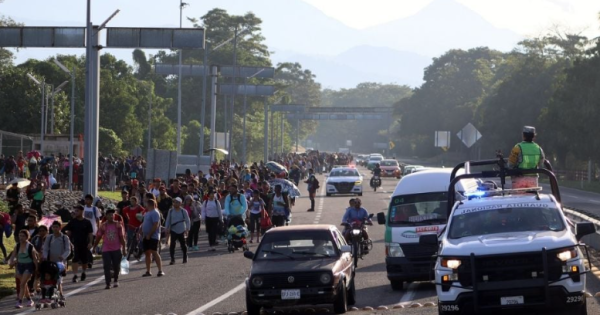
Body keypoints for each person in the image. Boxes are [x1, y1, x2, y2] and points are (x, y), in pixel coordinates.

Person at [93, 208, 126, 289]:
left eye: (113, 215)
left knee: (116, 266)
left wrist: (124, 248)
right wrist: (94, 246)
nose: (111, 216)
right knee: (106, 266)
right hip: (106, 249)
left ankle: (115, 280)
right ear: (106, 216)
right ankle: (108, 283)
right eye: (109, 215)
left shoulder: (118, 225)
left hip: (116, 248)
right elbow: (98, 237)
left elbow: (122, 238)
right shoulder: (103, 226)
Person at [8, 230, 39, 308]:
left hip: (28, 266)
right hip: (19, 266)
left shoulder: (30, 246)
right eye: (20, 236)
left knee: (22, 284)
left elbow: (35, 259)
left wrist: (37, 269)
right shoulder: (17, 246)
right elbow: (13, 256)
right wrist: (11, 262)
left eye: (23, 236)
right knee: (23, 284)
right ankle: (29, 300)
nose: (21, 237)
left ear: (27, 237)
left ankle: (19, 301)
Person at [62, 205, 93, 283]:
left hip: (84, 243)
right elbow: (66, 230)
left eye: (77, 211)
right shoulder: (72, 221)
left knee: (84, 260)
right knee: (75, 259)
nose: (75, 212)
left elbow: (90, 233)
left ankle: (83, 272)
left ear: (82, 211)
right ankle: (75, 275)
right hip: (74, 244)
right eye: (75, 211)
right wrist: (67, 234)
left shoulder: (87, 222)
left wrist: (90, 242)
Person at [42, 221, 71, 299]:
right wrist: (44, 256)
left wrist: (63, 256)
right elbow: (45, 248)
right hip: (51, 262)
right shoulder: (49, 237)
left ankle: (60, 294)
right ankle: (49, 294)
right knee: (50, 277)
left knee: (59, 279)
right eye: (53, 227)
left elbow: (68, 250)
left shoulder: (65, 237)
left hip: (61, 262)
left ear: (60, 228)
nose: (55, 229)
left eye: (56, 227)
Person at [141, 199, 164, 277]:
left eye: (146, 204)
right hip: (145, 236)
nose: (145, 205)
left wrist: (150, 234)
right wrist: (140, 231)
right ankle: (148, 271)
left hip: (153, 236)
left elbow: (155, 224)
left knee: (154, 252)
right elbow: (144, 223)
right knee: (147, 253)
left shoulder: (155, 212)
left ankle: (160, 270)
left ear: (149, 204)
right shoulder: (147, 213)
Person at [165, 197, 190, 265]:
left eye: (177, 202)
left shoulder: (183, 211)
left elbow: (187, 220)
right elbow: (168, 220)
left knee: (183, 245)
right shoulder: (170, 211)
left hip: (182, 229)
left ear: (180, 203)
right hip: (173, 230)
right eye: (174, 202)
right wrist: (166, 228)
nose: (175, 203)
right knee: (172, 245)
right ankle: (172, 259)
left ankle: (185, 257)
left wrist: (187, 229)